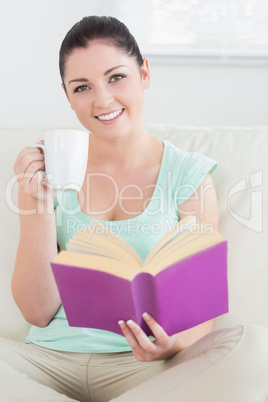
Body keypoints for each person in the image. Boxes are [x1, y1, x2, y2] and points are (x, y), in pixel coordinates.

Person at [1, 15, 268, 402]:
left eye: (116, 77)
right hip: (46, 363)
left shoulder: (189, 175)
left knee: (254, 349)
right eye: (82, 87)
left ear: (144, 73)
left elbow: (200, 311)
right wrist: (38, 199)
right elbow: (37, 311)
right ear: (67, 95)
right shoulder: (47, 172)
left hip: (144, 371)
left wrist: (170, 346)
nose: (103, 100)